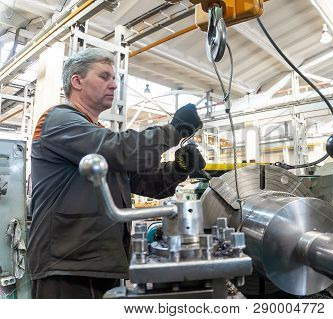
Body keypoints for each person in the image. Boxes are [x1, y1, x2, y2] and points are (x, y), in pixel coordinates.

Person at [28, 48, 206, 298]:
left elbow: (143, 181)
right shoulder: (58, 121)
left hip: (102, 262)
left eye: (115, 79)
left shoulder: (95, 131)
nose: (113, 85)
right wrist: (174, 130)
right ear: (76, 81)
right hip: (66, 266)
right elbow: (121, 149)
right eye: (104, 77)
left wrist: (179, 168)